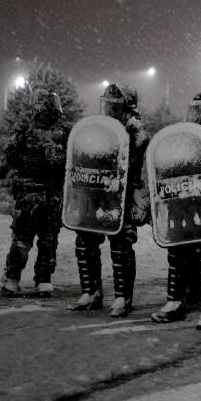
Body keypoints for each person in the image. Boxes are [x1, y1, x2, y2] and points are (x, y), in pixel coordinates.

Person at [151, 91, 201, 328]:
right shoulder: (182, 135)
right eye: (196, 110)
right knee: (176, 253)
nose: (200, 115)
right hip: (181, 203)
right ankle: (176, 300)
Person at [70, 83, 150, 318]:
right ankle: (90, 292)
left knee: (121, 247)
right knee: (85, 241)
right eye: (107, 105)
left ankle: (123, 297)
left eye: (115, 106)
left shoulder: (135, 129)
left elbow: (133, 154)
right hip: (97, 193)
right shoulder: (99, 127)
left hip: (121, 195)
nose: (109, 110)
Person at [0, 90, 69, 298]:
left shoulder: (64, 135)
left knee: (44, 242)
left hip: (49, 198)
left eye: (51, 112)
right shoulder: (25, 134)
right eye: (45, 111)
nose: (48, 115)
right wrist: (40, 162)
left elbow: (72, 161)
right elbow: (11, 156)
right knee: (25, 240)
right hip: (30, 198)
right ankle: (14, 280)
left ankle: (41, 280)